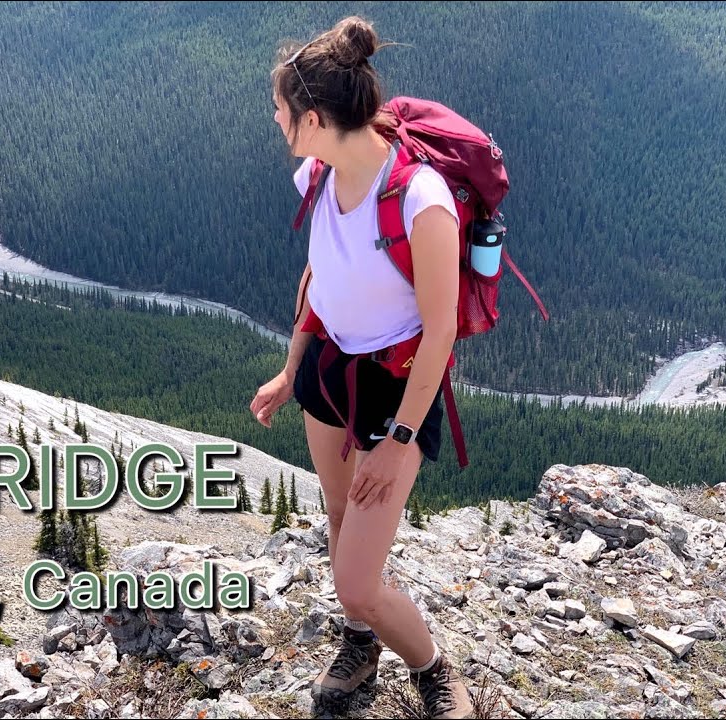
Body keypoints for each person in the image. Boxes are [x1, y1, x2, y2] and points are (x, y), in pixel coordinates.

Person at [249, 15, 475, 720]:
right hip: (328, 368)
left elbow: (440, 330)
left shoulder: (421, 199)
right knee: (339, 511)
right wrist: (292, 370)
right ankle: (359, 643)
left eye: (281, 111)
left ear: (312, 117)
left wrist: (400, 437)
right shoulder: (317, 175)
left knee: (355, 583)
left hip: (394, 387)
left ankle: (436, 671)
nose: (275, 120)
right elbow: (318, 275)